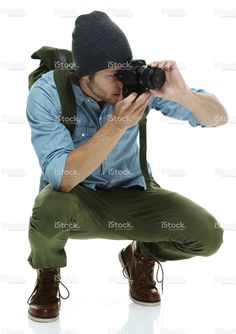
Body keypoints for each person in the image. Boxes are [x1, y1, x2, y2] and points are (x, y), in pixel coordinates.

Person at [26, 10, 228, 323]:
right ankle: (48, 273)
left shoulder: (135, 87)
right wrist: (117, 125)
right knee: (49, 207)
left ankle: (141, 257)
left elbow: (219, 118)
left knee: (208, 235)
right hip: (78, 201)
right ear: (85, 74)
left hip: (133, 194)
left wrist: (184, 96)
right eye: (113, 75)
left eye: (126, 73)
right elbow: (63, 179)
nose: (124, 84)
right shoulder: (48, 94)